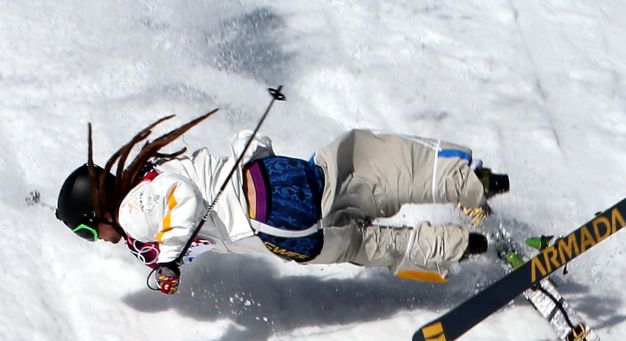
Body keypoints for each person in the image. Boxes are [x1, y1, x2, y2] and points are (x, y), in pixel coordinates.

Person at [55, 110, 510, 294]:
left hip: (272, 220)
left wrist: (169, 261)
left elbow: (183, 201)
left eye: (90, 230)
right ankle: (469, 182)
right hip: (269, 178)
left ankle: (460, 247)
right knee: (355, 173)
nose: (99, 239)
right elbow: (186, 187)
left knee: (359, 244)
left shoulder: (134, 214)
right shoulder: (152, 174)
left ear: (100, 212)